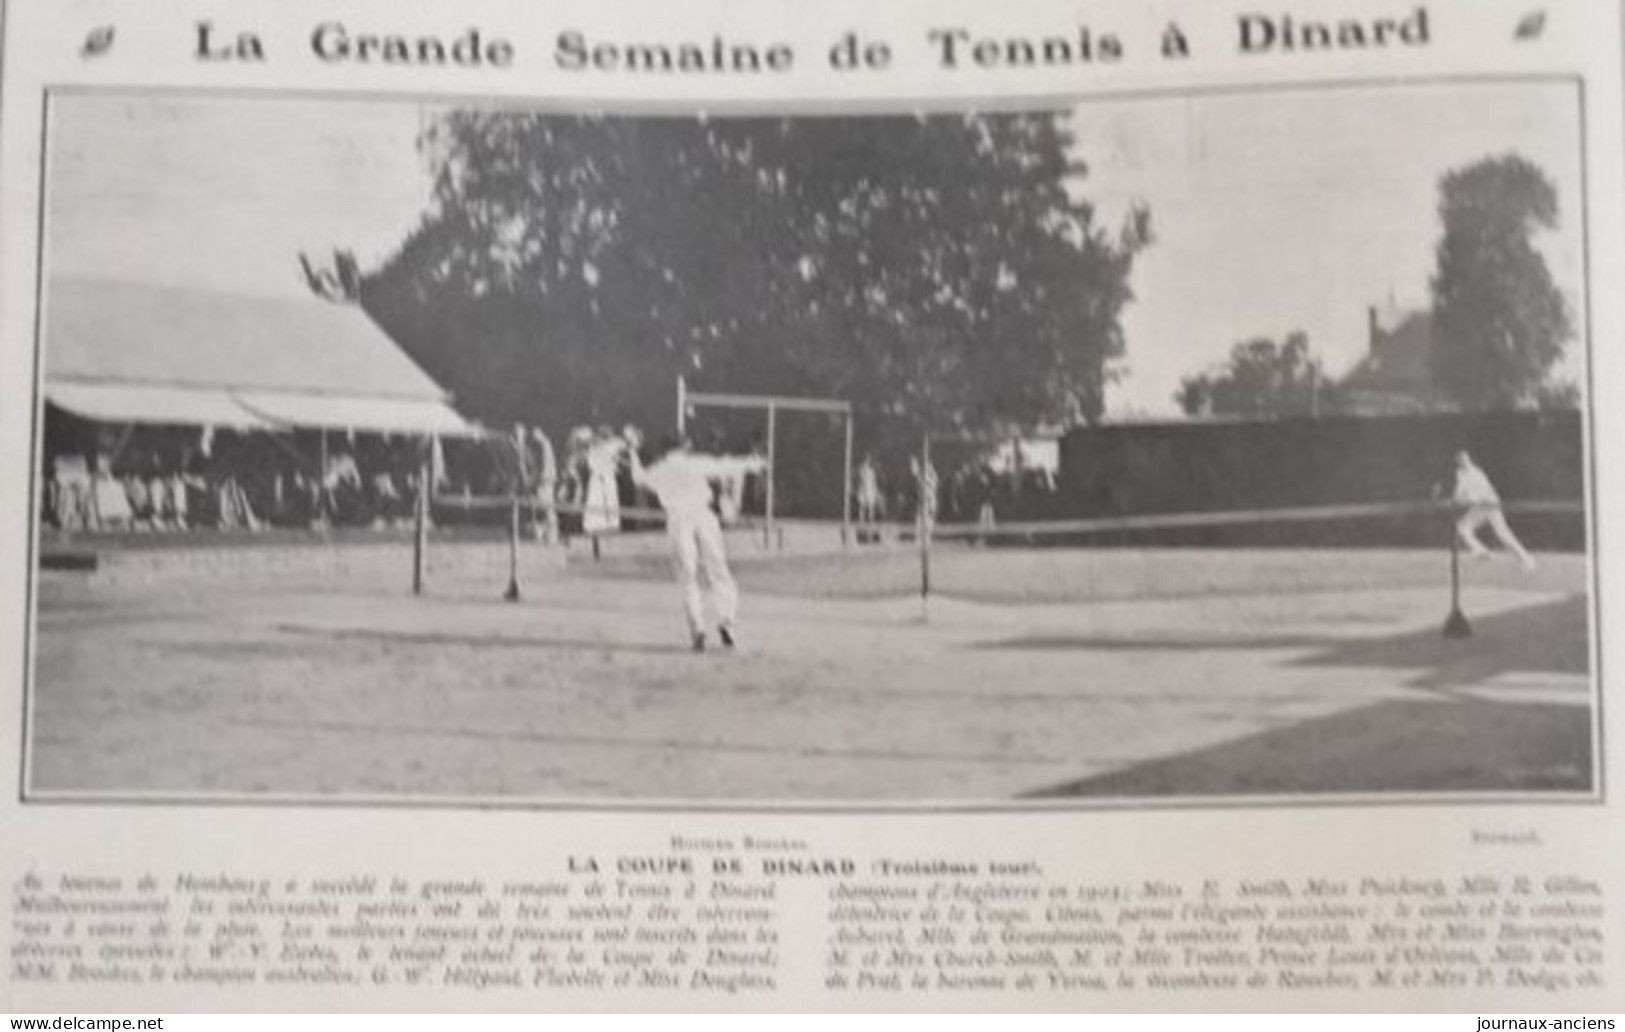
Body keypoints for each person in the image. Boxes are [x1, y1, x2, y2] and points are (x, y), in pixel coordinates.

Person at [628, 431, 766, 652]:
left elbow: (638, 479)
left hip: (678, 518)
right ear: (685, 446)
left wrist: (633, 452)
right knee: (718, 568)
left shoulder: (660, 469)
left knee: (688, 574)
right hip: (702, 514)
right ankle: (726, 622)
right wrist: (752, 463)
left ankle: (698, 628)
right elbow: (724, 466)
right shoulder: (694, 463)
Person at [1448, 449, 1536, 570]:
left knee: (1500, 533)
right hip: (1482, 505)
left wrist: (1456, 501)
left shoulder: (1476, 473)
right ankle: (1481, 552)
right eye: (1460, 460)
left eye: (1465, 459)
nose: (1463, 462)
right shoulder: (1460, 473)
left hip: (1489, 503)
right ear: (1458, 461)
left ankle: (1526, 560)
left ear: (1469, 459)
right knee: (1463, 527)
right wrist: (1455, 499)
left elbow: (1470, 498)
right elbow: (1460, 494)